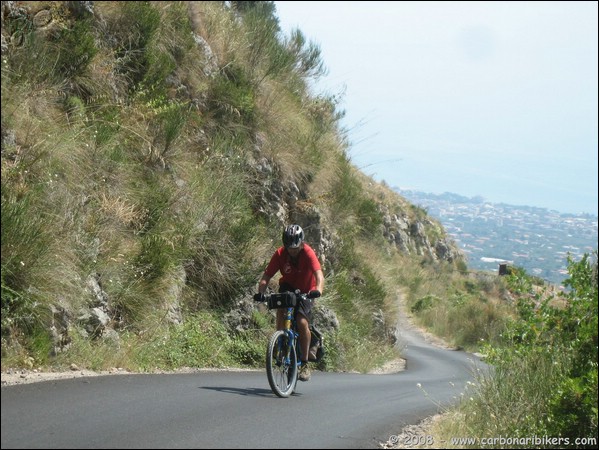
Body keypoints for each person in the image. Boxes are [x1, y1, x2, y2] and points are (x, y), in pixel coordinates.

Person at [254, 224, 324, 381]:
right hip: (288, 287)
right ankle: (279, 340)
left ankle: (305, 364)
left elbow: (318, 274)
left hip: (307, 290)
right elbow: (266, 277)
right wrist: (261, 293)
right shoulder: (279, 254)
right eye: (289, 247)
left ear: (301, 243)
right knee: (281, 307)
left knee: (301, 321)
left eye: (295, 247)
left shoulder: (308, 253)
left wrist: (318, 290)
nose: (292, 250)